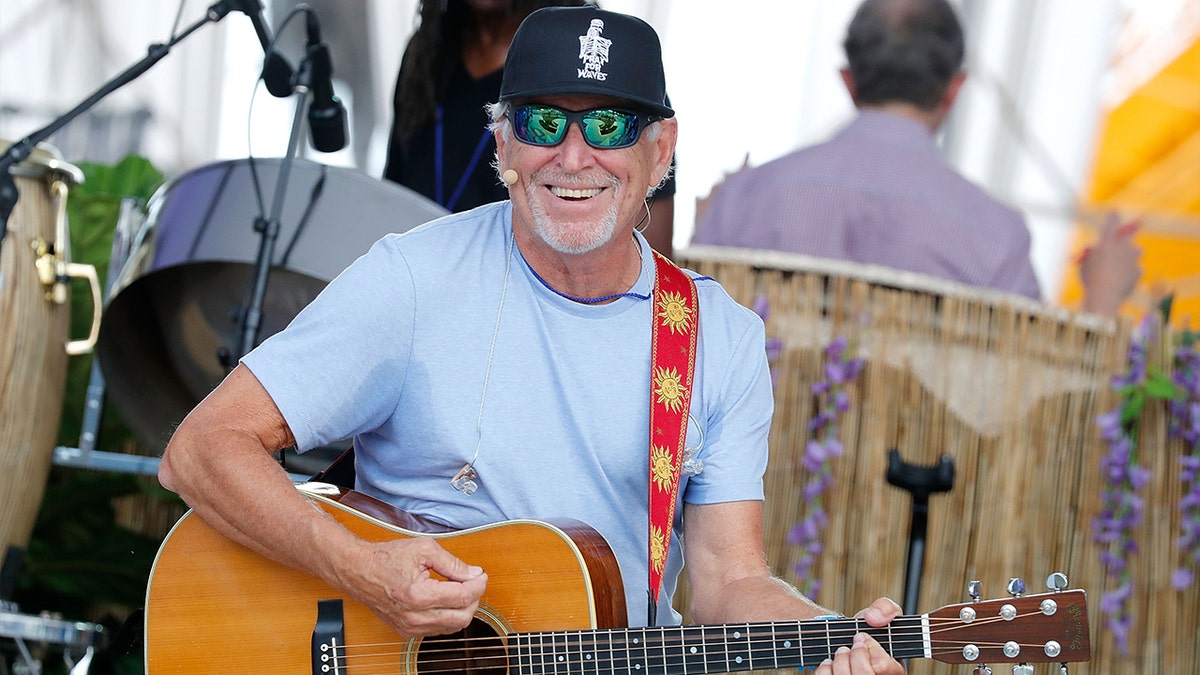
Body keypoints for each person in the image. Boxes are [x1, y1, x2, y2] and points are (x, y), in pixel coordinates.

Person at [159, 7, 904, 674]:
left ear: (662, 149)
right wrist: (360, 569)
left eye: (609, 125)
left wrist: (828, 635)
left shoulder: (717, 339)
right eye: (544, 123)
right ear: (504, 143)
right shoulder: (412, 279)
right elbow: (200, 449)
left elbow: (726, 581)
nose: (573, 157)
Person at [692, 0, 1140, 315]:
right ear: (955, 89)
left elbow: (688, 328)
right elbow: (1022, 399)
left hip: (756, 447)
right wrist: (1101, 302)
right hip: (922, 451)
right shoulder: (997, 236)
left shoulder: (747, 199)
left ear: (848, 80)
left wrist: (702, 231)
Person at [383, 0, 678, 257]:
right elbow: (391, 190)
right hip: (426, 280)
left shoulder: (606, 55)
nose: (574, 158)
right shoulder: (427, 52)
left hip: (541, 296)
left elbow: (647, 241)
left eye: (606, 125)